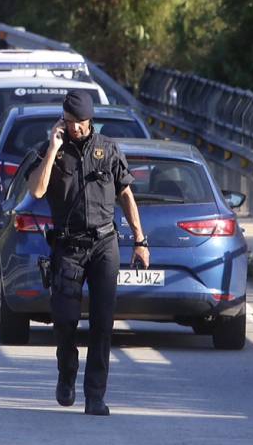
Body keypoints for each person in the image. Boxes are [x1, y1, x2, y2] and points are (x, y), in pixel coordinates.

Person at [26, 89, 149, 417]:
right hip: (67, 246)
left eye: (81, 122)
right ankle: (66, 372)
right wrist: (52, 150)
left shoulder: (108, 149)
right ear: (62, 120)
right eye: (70, 122)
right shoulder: (52, 149)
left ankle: (95, 395)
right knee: (65, 320)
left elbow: (126, 195)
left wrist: (140, 239)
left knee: (102, 323)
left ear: (90, 119)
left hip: (104, 245)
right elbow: (36, 190)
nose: (76, 128)